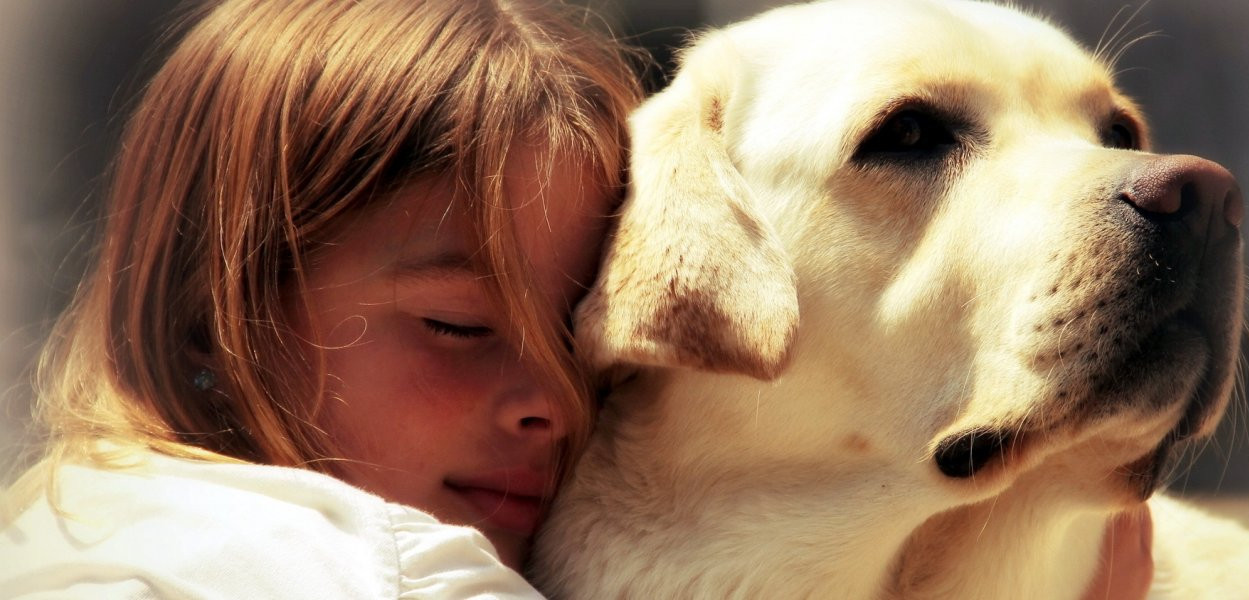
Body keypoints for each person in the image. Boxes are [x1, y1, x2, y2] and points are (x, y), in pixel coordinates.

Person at [0, 0, 1152, 597]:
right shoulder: (350, 573)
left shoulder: (81, 518)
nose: (556, 403)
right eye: (457, 327)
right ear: (213, 320)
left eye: (586, 336)